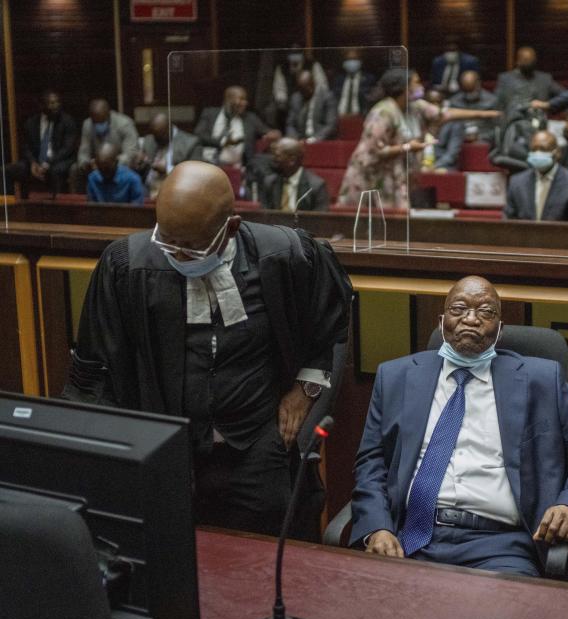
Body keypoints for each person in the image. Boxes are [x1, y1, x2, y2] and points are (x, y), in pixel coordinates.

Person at [63, 161, 352, 536]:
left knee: (264, 556)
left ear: (230, 227)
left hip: (257, 441)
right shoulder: (127, 266)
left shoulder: (285, 254)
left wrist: (305, 388)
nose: (176, 256)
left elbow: (328, 318)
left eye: (190, 247)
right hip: (165, 444)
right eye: (168, 241)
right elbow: (96, 366)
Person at [351, 276, 568, 575]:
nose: (471, 319)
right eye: (459, 309)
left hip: (502, 546)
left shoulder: (541, 381)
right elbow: (370, 463)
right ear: (441, 322)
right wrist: (378, 529)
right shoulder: (396, 377)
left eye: (486, 312)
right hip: (412, 538)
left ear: (499, 329)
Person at [338, 70, 499, 209]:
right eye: (416, 82)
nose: (420, 85)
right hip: (372, 176)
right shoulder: (383, 112)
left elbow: (444, 113)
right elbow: (375, 150)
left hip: (397, 176)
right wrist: (408, 147)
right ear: (403, 87)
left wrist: (486, 114)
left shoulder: (414, 106)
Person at [504, 131, 568, 222]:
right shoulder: (517, 183)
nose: (538, 153)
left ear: (557, 152)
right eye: (534, 149)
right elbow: (509, 224)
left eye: (543, 149)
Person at [3, 90, 77, 197]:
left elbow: (67, 149)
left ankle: (57, 209)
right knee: (7, 171)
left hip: (58, 161)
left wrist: (47, 163)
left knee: (55, 171)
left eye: (57, 102)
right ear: (42, 105)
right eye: (51, 103)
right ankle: (13, 207)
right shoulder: (31, 123)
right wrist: (33, 162)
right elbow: (25, 147)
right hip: (35, 162)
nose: (55, 106)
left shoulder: (67, 121)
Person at [194, 86, 280, 168]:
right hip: (208, 163)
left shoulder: (250, 118)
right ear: (228, 99)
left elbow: (269, 132)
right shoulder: (210, 114)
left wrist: (274, 134)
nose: (245, 103)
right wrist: (223, 143)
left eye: (245, 100)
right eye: (241, 99)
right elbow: (198, 135)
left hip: (239, 167)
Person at [73, 98, 138, 192]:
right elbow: (83, 151)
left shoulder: (125, 124)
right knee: (75, 169)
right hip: (95, 166)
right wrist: (86, 163)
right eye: (95, 122)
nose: (98, 124)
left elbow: (130, 153)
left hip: (118, 164)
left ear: (109, 115)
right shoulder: (87, 124)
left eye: (102, 122)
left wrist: (106, 164)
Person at [136, 112, 201, 199]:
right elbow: (142, 170)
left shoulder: (191, 143)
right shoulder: (149, 140)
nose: (157, 140)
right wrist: (140, 163)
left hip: (176, 191)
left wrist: (168, 169)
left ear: (169, 129)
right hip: (148, 189)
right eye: (155, 136)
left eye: (160, 136)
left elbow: (197, 176)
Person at [260, 137, 329, 212]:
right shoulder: (270, 182)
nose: (273, 160)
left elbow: (320, 219)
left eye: (277, 156)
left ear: (292, 160)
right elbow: (264, 215)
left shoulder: (315, 186)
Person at [495, 47, 564, 113]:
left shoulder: (545, 79)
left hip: (540, 119)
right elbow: (497, 103)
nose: (529, 63)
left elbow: (563, 96)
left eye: (531, 60)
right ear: (518, 61)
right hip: (513, 120)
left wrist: (547, 105)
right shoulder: (506, 79)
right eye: (525, 60)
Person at [285, 69, 338, 142]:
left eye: (306, 88)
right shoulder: (296, 98)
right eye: (301, 89)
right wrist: (294, 138)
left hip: (321, 141)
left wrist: (313, 139)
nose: (303, 92)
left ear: (313, 84)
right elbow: (290, 124)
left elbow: (331, 125)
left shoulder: (327, 97)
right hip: (300, 141)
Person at [448, 70, 499, 144]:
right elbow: (450, 127)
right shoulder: (454, 101)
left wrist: (481, 136)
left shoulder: (492, 101)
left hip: (485, 139)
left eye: (472, 91)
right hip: (459, 138)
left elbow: (498, 129)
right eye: (466, 91)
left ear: (478, 84)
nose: (469, 95)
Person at [332, 49, 376, 117]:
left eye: (354, 58)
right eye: (348, 59)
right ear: (343, 62)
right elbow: (333, 99)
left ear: (361, 61)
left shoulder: (368, 79)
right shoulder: (338, 79)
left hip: (360, 117)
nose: (351, 61)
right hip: (339, 117)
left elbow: (371, 101)